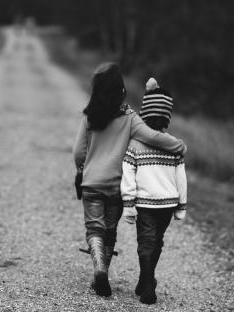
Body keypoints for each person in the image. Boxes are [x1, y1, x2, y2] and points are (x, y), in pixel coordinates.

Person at [72, 63, 186, 297]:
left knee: (94, 227)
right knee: (110, 231)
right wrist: (179, 146)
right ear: (120, 90)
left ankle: (100, 269)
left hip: (92, 183)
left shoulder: (89, 117)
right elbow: (153, 136)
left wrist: (82, 168)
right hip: (116, 186)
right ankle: (103, 270)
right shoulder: (130, 117)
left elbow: (78, 152)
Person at [120, 78, 187, 305]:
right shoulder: (173, 146)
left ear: (144, 114)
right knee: (157, 241)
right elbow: (181, 179)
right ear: (167, 116)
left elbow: (128, 176)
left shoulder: (135, 145)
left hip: (145, 204)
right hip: (167, 204)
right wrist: (181, 206)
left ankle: (147, 283)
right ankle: (146, 279)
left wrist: (128, 205)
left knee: (145, 243)